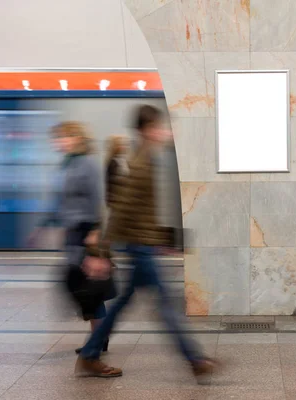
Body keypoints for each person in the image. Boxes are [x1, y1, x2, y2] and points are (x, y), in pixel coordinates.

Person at [75, 105, 219, 382]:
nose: (163, 132)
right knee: (165, 306)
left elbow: (146, 211)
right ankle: (196, 360)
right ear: (145, 130)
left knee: (123, 303)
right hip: (138, 246)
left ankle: (91, 354)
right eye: (157, 127)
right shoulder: (139, 163)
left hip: (143, 242)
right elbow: (120, 209)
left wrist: (165, 238)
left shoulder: (151, 158)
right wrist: (100, 252)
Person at [28, 121, 111, 352]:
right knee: (87, 286)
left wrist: (95, 231)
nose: (59, 142)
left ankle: (98, 336)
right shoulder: (67, 165)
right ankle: (99, 336)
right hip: (72, 233)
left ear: (77, 137)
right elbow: (59, 201)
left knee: (83, 285)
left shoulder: (88, 164)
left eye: (63, 137)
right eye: (57, 138)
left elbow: (97, 199)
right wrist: (42, 226)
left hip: (85, 233)